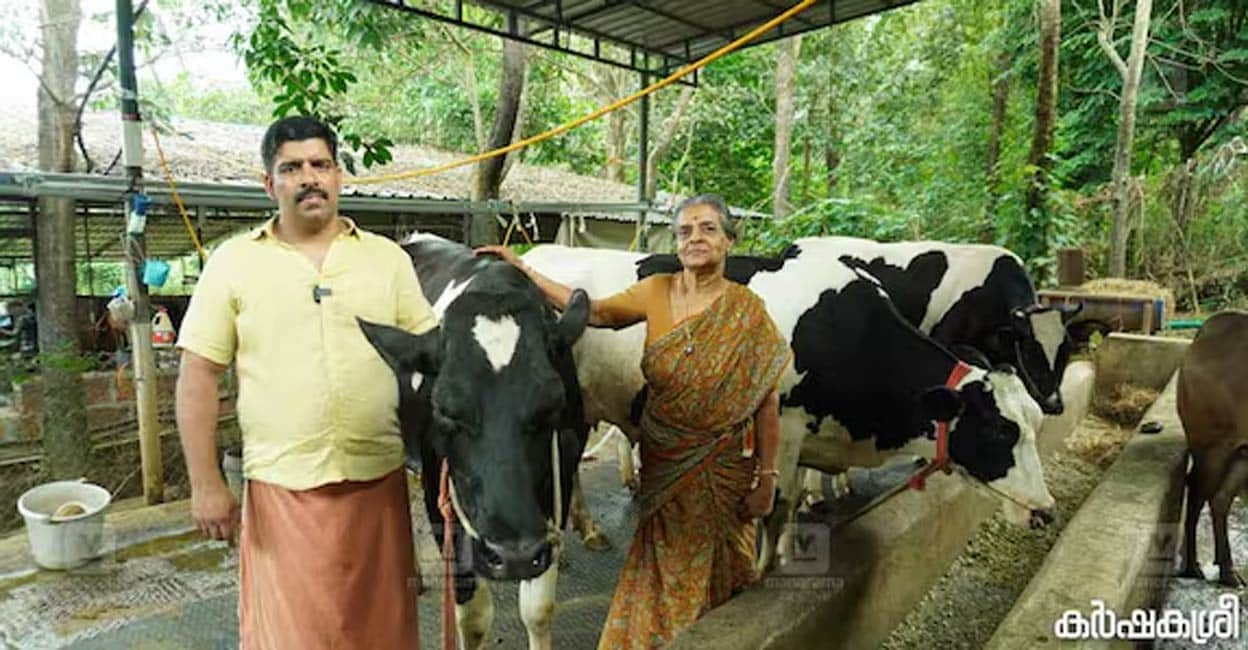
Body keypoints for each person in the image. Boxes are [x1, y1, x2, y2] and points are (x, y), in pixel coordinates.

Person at [478, 194, 791, 649]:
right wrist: (524, 270)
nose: (695, 239)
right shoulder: (657, 290)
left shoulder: (748, 311)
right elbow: (595, 310)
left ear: (728, 240)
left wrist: (767, 478)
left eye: (707, 229)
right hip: (665, 471)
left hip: (725, 479)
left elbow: (766, 401)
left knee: (725, 578)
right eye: (685, 231)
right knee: (657, 582)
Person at [175, 116, 435, 649]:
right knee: (292, 636)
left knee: (382, 632)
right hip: (282, 489)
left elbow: (439, 357)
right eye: (291, 168)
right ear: (270, 184)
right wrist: (205, 482)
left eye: (320, 164)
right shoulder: (234, 262)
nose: (308, 177)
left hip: (376, 481)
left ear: (339, 176)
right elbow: (198, 374)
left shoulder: (387, 260)